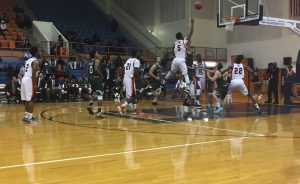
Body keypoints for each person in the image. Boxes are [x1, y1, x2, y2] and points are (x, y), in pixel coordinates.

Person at [162, 19, 194, 105]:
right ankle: (187, 88)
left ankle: (164, 81)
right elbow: (191, 33)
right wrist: (192, 23)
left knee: (171, 71)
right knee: (185, 74)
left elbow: (173, 51)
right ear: (182, 36)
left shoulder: (175, 42)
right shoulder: (184, 41)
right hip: (181, 60)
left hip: (175, 59)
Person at [117, 51, 141, 115]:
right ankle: (121, 107)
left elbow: (123, 70)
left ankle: (134, 110)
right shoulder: (136, 61)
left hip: (126, 78)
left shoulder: (128, 60)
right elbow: (135, 72)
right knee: (131, 97)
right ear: (135, 54)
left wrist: (122, 78)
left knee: (133, 96)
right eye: (138, 54)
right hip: (130, 79)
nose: (139, 55)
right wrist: (140, 79)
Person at [21, 46, 39, 123]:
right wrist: (35, 84)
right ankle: (30, 118)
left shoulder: (28, 60)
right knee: (31, 99)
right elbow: (33, 73)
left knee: (27, 100)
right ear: (36, 52)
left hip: (24, 79)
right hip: (29, 79)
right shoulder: (35, 61)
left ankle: (26, 116)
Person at [86, 51, 105, 118]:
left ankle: (90, 104)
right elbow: (96, 69)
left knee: (94, 93)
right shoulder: (97, 61)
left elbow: (87, 72)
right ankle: (99, 111)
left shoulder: (89, 62)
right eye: (97, 53)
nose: (98, 54)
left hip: (91, 79)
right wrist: (101, 75)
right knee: (100, 94)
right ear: (94, 55)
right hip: (97, 79)